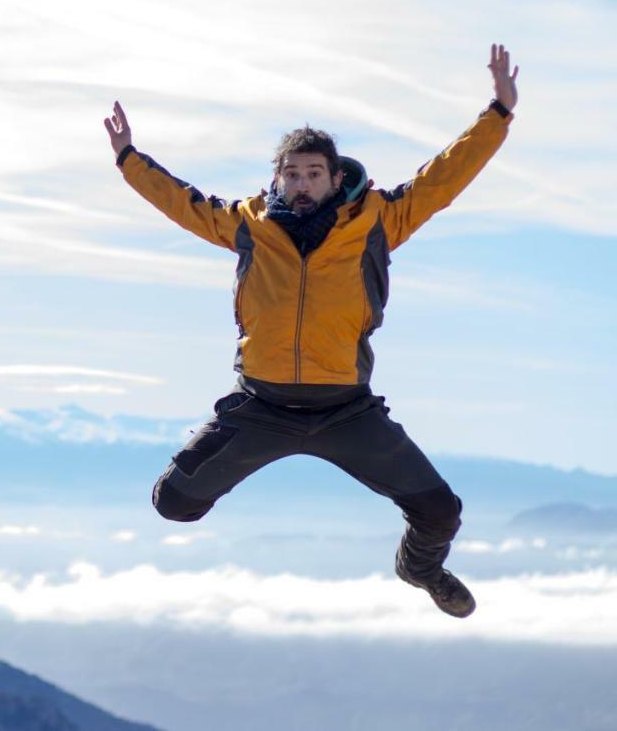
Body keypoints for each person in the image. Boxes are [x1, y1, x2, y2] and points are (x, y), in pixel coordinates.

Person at [103, 44, 519, 617]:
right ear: (278, 177)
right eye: (292, 173)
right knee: (173, 503)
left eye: (313, 174)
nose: (302, 184)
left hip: (346, 410)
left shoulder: (376, 219)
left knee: (440, 512)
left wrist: (497, 114)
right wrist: (129, 158)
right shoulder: (248, 225)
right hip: (261, 408)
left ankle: (418, 567)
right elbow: (183, 203)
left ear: (333, 178)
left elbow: (442, 178)